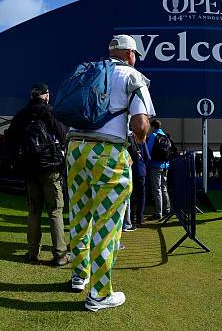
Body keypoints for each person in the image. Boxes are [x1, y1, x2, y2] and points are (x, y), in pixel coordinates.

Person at [66, 34, 155, 311]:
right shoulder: (133, 76)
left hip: (75, 149)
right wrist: (139, 139)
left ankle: (80, 275)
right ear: (130, 54)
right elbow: (140, 124)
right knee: (107, 223)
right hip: (108, 153)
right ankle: (100, 294)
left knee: (79, 214)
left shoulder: (90, 71)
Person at [5, 83, 69, 267]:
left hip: (30, 170)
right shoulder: (50, 113)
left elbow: (9, 140)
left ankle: (32, 252)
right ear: (46, 96)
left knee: (33, 211)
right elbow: (64, 135)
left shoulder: (22, 115)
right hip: (50, 169)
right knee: (55, 212)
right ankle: (60, 254)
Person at [146, 119, 172, 221]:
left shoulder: (153, 136)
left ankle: (158, 213)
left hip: (155, 165)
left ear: (153, 127)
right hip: (166, 165)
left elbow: (148, 151)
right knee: (164, 188)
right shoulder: (166, 137)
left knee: (157, 189)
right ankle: (167, 210)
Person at [127, 131, 150, 226]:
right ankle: (140, 217)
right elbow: (147, 157)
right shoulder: (142, 140)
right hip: (141, 171)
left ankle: (131, 218)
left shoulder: (127, 140)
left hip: (130, 170)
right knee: (141, 195)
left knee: (131, 195)